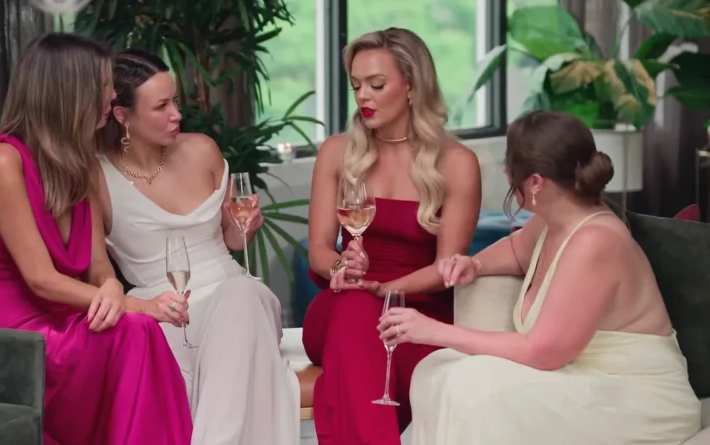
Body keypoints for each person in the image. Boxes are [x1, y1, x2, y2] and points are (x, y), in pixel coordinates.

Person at [379, 110, 702, 445]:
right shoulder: (554, 218)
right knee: (434, 370)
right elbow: (518, 249)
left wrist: (433, 330)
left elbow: (542, 353)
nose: (505, 172)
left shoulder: (596, 241)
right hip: (582, 378)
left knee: (471, 387)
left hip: (635, 397)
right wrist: (473, 264)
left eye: (510, 165)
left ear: (535, 182)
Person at [0, 33, 193, 445]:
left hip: (67, 318)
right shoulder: (2, 161)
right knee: (137, 329)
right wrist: (135, 304)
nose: (112, 95)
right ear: (69, 92)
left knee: (137, 332)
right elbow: (40, 279)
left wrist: (112, 287)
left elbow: (98, 267)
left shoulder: (83, 165)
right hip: (17, 334)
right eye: (103, 85)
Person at [93, 48, 300, 445]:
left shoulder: (202, 149)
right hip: (163, 311)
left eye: (175, 101)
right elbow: (97, 271)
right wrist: (137, 306)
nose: (176, 114)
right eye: (162, 106)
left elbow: (232, 240)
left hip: (236, 300)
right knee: (204, 349)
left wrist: (244, 228)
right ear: (122, 115)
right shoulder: (95, 175)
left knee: (241, 295)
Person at [302, 27, 482, 445]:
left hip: (416, 313)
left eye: (376, 85)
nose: (363, 96)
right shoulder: (336, 152)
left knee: (364, 343)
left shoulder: (457, 163)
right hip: (342, 305)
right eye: (356, 86)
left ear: (412, 87)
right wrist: (342, 268)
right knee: (356, 309)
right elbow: (318, 250)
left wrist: (384, 289)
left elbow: (445, 268)